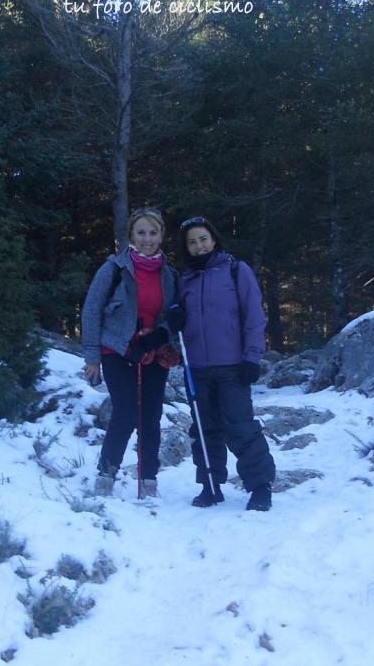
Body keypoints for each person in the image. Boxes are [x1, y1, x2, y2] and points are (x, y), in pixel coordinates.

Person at [171, 216, 276, 511]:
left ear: (214, 239)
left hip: (232, 365)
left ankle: (260, 487)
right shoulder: (185, 279)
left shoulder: (235, 270)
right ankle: (210, 485)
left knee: (241, 426)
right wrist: (175, 320)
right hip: (197, 368)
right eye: (192, 242)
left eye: (203, 239)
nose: (199, 246)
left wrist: (252, 356)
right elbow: (176, 320)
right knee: (204, 429)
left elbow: (254, 315)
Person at [80, 207, 180, 498]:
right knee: (125, 412)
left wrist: (160, 335)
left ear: (161, 235)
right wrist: (92, 358)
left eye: (153, 232)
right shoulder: (113, 269)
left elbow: (172, 314)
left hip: (153, 352)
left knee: (151, 416)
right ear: (132, 235)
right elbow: (92, 310)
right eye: (141, 233)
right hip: (116, 350)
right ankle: (106, 473)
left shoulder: (169, 274)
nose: (147, 239)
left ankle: (149, 478)